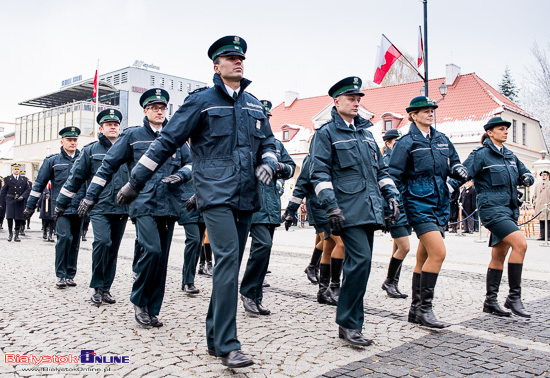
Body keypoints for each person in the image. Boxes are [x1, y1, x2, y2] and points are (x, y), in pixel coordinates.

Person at [114, 36, 277, 368]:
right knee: (228, 259)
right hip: (215, 194)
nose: (238, 61)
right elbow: (167, 142)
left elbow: (269, 142)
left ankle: (215, 339)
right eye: (230, 58)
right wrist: (135, 182)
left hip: (247, 195)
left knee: (229, 265)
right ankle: (230, 344)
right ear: (216, 66)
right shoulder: (201, 102)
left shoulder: (254, 105)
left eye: (241, 57)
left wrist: (270, 163)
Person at [78, 89, 192, 326]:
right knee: (151, 250)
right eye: (154, 108)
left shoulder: (176, 137)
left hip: (169, 203)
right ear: (145, 111)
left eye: (163, 108)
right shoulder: (132, 136)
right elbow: (108, 166)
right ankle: (139, 301)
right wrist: (90, 197)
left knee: (161, 259)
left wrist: (181, 175)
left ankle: (152, 309)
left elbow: (192, 163)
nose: (160, 111)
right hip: (142, 202)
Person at [310, 77, 400, 346]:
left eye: (359, 98)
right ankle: (349, 324)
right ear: (336, 102)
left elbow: (381, 171)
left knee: (362, 265)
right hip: (346, 209)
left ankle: (350, 323)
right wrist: (331, 206)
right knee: (359, 261)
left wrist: (392, 196)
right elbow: (319, 174)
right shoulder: (326, 134)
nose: (356, 102)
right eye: (351, 98)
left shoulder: (366, 134)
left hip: (370, 209)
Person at [388, 96, 468, 329]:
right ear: (413, 115)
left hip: (440, 203)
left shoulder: (442, 139)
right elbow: (393, 175)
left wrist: (458, 171)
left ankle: (415, 310)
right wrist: (396, 203)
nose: (429, 113)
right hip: (417, 203)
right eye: (424, 111)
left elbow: (454, 162)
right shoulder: (406, 143)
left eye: (431, 110)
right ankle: (425, 309)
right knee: (438, 253)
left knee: (423, 257)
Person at [56, 109, 130, 306]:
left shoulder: (127, 149)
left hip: (121, 207)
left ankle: (106, 289)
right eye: (108, 124)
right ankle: (97, 287)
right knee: (102, 242)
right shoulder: (91, 151)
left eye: (115, 124)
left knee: (113, 249)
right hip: (98, 206)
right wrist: (61, 204)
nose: (112, 127)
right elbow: (75, 179)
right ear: (101, 128)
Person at [463, 116, 534, 318]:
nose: (505, 132)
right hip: (491, 209)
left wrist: (527, 177)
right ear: (490, 133)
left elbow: (524, 172)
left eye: (506, 129)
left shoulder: (510, 155)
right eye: (501, 129)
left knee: (499, 254)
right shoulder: (481, 155)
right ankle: (513, 297)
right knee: (521, 244)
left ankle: (490, 301)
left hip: (509, 209)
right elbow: (463, 172)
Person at [240, 100, 296, 316]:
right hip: (252, 202)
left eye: (268, 118)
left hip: (271, 203)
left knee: (265, 249)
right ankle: (247, 292)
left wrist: (280, 167)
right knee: (261, 245)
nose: (265, 121)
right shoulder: (247, 141)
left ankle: (255, 296)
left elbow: (291, 168)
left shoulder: (276, 145)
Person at [24, 127, 86, 288]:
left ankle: (70, 274)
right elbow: (39, 184)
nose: (72, 143)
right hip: (61, 208)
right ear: (62, 141)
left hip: (79, 207)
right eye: (69, 140)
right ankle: (61, 274)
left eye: (74, 140)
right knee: (64, 238)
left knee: (75, 242)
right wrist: (30, 207)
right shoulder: (53, 161)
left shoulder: (84, 159)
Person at [282, 154, 341, 305]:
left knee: (329, 245)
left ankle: (323, 291)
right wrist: (290, 211)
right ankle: (334, 289)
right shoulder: (312, 158)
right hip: (319, 206)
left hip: (335, 205)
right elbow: (301, 185)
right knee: (341, 243)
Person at [380, 128, 411, 299]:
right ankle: (389, 282)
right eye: (395, 142)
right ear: (388, 143)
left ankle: (393, 282)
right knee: (405, 247)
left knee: (397, 247)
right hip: (394, 207)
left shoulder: (402, 159)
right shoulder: (386, 161)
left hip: (405, 206)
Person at [178, 169, 206, 295]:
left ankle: (188, 280)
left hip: (203, 204)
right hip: (187, 204)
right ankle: (188, 281)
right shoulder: (182, 152)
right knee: (193, 240)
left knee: (198, 244)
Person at [0, 163, 31, 242]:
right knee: (9, 217)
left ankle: (16, 235)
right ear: (12, 170)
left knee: (18, 218)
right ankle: (10, 234)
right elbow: (3, 191)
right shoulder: (7, 179)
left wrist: (23, 196)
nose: (16, 171)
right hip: (10, 200)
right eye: (15, 169)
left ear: (19, 170)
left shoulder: (24, 180)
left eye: (18, 169)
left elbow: (28, 189)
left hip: (19, 201)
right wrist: (1, 203)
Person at [532, 170, 550, 241]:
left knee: (548, 222)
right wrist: (535, 203)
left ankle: (548, 236)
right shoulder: (538, 184)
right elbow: (535, 195)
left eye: (545, 175)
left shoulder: (549, 184)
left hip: (547, 206)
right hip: (540, 206)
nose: (543, 176)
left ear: (548, 176)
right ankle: (542, 235)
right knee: (541, 221)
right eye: (542, 175)